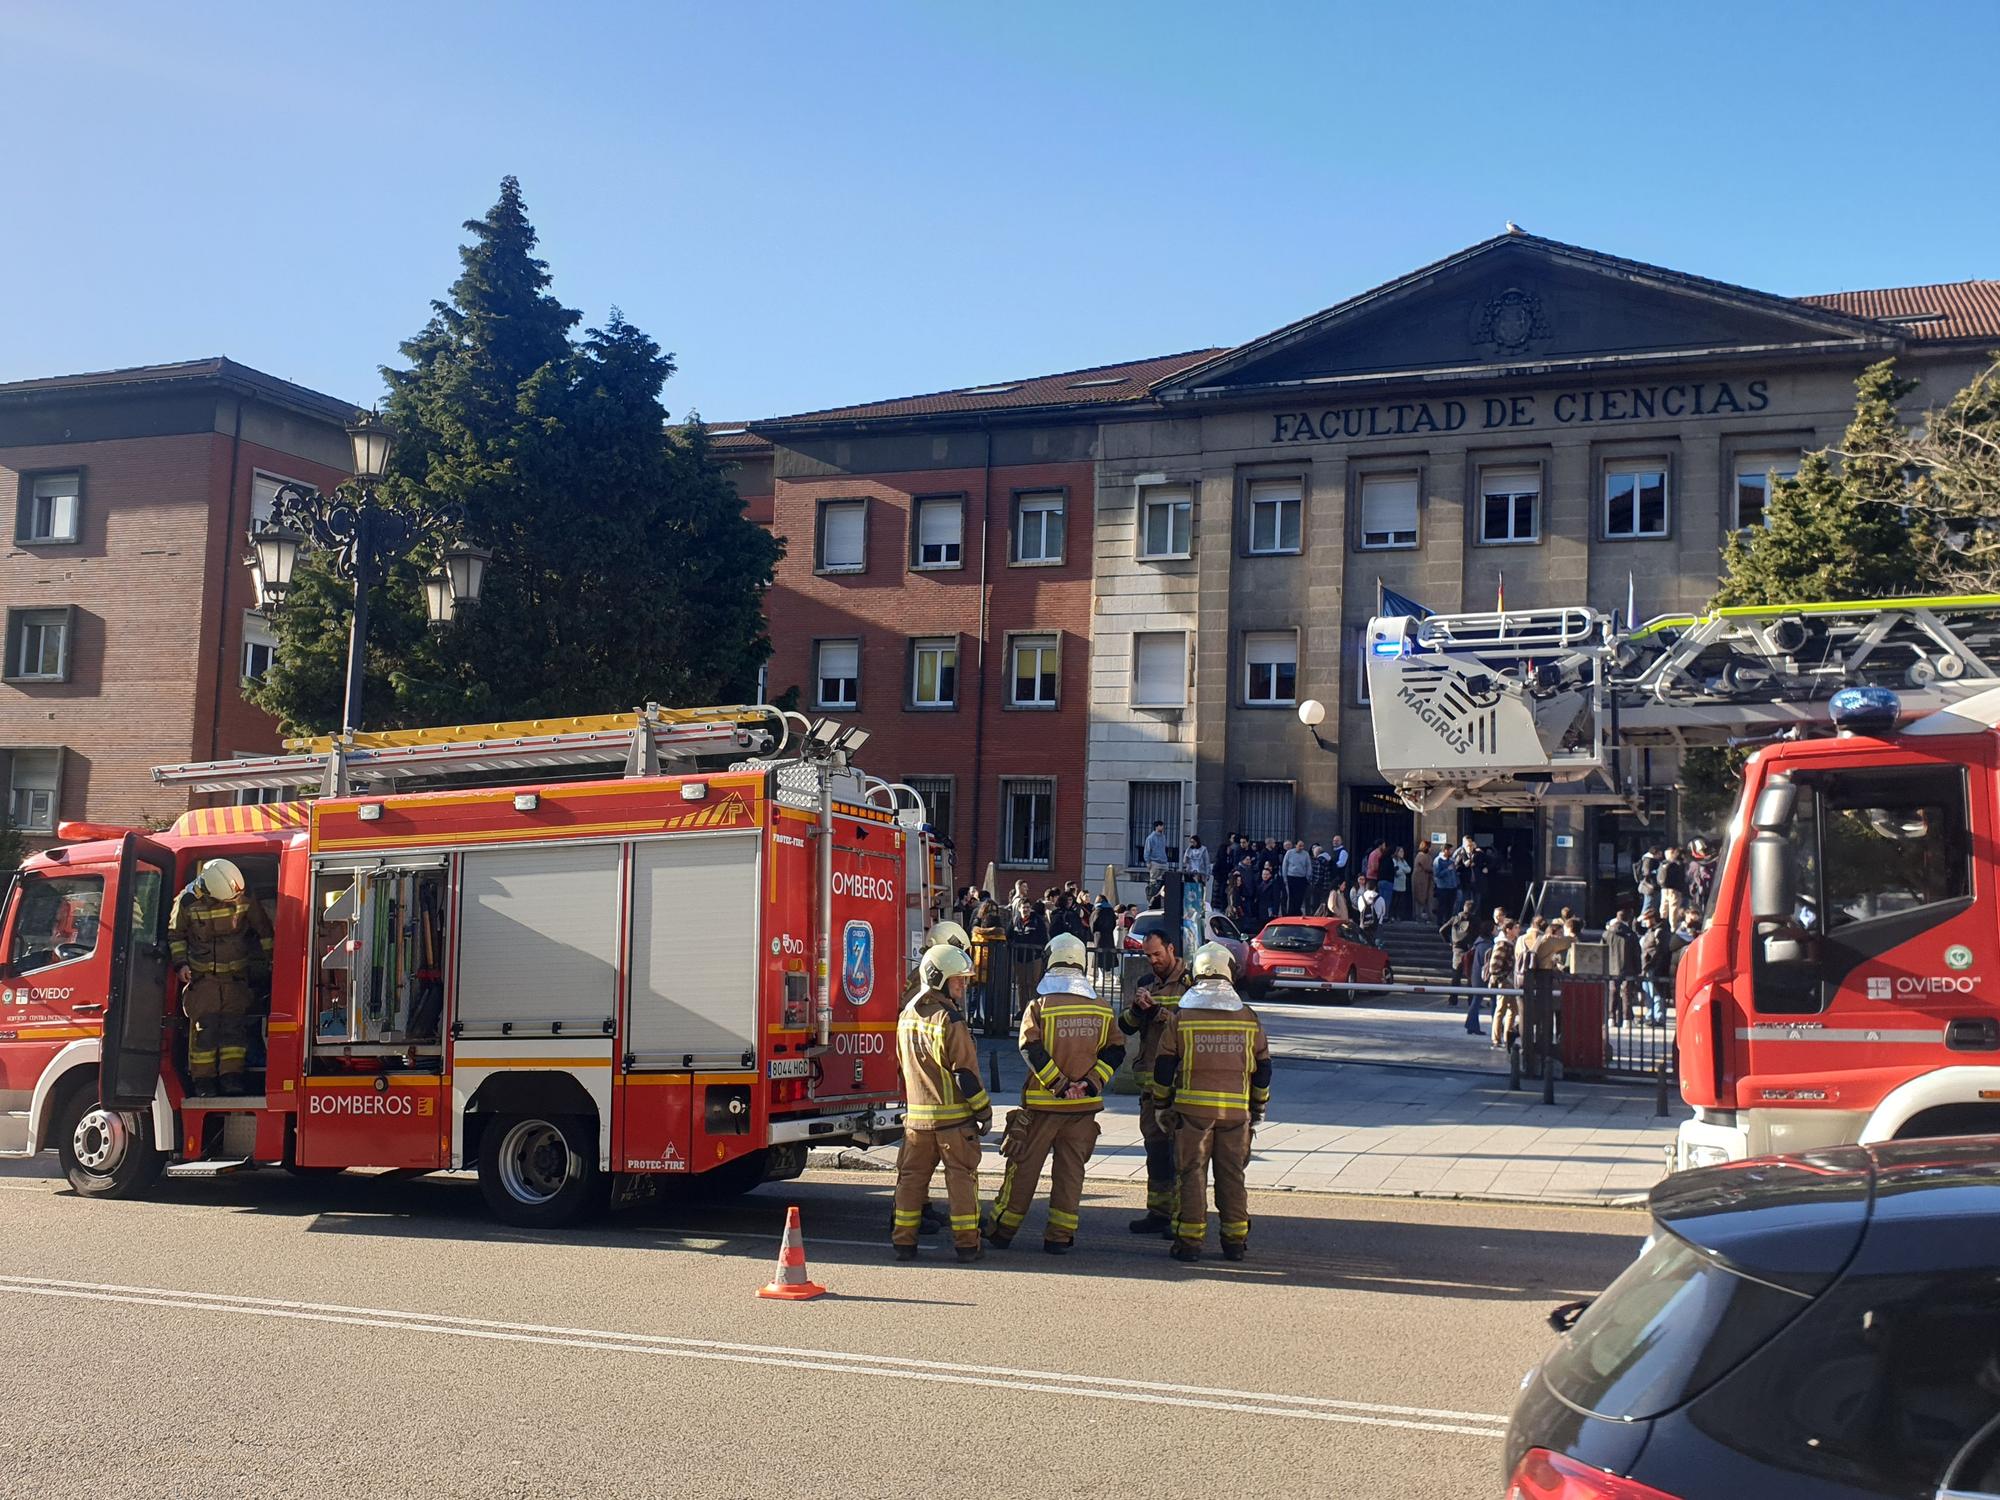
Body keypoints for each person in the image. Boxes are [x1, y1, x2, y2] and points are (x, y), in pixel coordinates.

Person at [984, 933, 1127, 1255]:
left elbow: (1029, 1049)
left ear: (1051, 961)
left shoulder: (1040, 1005)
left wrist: (1060, 1086)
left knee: (1023, 1169)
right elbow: (1116, 1050)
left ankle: (1002, 1229)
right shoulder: (1102, 1009)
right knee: (1071, 1174)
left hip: (1042, 1107)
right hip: (1084, 1108)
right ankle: (1059, 1236)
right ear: (1081, 963)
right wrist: (1088, 1085)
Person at [1154, 942, 1272, 1263]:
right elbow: (1263, 1069)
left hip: (1191, 1113)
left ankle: (1189, 1242)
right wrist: (1258, 1108)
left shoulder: (1182, 1017)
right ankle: (1234, 1242)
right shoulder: (1248, 1018)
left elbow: (1164, 1066)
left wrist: (1162, 1106)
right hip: (1235, 1114)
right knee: (1232, 1175)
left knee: (1192, 1174)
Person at [892, 944, 992, 1261]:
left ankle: (904, 1242)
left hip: (917, 1123)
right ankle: (967, 1245)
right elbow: (966, 1074)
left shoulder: (906, 1016)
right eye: (957, 979)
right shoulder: (950, 1020)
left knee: (911, 1181)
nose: (963, 985)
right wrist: (984, 1112)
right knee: (961, 1181)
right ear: (938, 979)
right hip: (953, 1124)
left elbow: (900, 1066)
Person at [169, 858, 274, 1096]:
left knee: (233, 1031)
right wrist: (181, 965)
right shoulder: (186, 902)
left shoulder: (242, 895)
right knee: (204, 1031)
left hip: (235, 979)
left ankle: (231, 1078)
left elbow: (264, 931)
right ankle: (203, 1083)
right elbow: (175, 936)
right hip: (203, 979)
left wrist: (273, 962)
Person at [1120, 929, 1191, 1234]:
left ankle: (1183, 1217)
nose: (1153, 961)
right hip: (1150, 1084)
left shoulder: (1192, 984)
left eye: (1157, 954)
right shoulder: (1146, 983)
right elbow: (1125, 1025)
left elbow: (1191, 1026)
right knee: (1156, 1150)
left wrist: (1161, 1013)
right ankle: (1159, 1212)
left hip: (1180, 1083)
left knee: (1182, 1153)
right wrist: (1137, 1009)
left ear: (1171, 948)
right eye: (1147, 956)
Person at [1487, 920, 1521, 1049]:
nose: (1518, 930)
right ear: (1508, 930)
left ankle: (1508, 1039)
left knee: (1513, 1010)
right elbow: (1494, 965)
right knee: (1500, 1010)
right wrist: (1502, 977)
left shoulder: (1512, 943)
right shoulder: (1503, 944)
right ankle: (1496, 1039)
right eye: (1516, 928)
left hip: (1512, 982)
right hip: (1505, 981)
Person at [1604, 907, 1638, 1027]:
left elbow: (1602, 951)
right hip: (1628, 967)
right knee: (1627, 994)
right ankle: (1626, 1019)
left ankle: (1611, 1018)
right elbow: (1636, 954)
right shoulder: (1631, 935)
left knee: (1612, 992)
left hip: (1611, 967)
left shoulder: (1607, 934)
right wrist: (1637, 969)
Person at [1442, 898, 1476, 1004]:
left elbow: (1442, 930)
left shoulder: (1455, 919)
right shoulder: (1475, 920)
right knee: (1470, 976)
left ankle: (1453, 999)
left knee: (1456, 975)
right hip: (1469, 949)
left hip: (1457, 949)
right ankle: (1471, 1000)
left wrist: (1449, 941)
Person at [1466, 913, 1493, 1036]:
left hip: (1476, 974)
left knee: (1476, 1001)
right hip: (1483, 977)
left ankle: (1471, 1025)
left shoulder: (1478, 943)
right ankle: (1473, 1025)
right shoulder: (1486, 945)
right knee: (1486, 1001)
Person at [1659, 846, 1689, 930]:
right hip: (1675, 890)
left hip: (1664, 888)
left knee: (1664, 907)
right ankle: (1673, 927)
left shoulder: (1666, 862)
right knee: (1673, 909)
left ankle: (1662, 924)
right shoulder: (1679, 864)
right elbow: (1681, 878)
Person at [1281, 839, 1311, 917]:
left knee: (1299, 897)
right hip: (1291, 877)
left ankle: (1297, 912)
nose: (1301, 847)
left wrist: (1307, 877)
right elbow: (1285, 865)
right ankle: (1290, 913)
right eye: (1300, 845)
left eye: (1303, 846)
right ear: (1296, 845)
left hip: (1301, 878)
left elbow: (1308, 866)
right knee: (1291, 896)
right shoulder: (1289, 853)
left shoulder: (1306, 854)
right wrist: (1285, 878)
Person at [1090, 895, 1118, 980]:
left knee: (1099, 956)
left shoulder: (1097, 911)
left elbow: (1093, 924)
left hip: (1098, 936)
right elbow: (1114, 924)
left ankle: (1101, 976)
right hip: (1109, 936)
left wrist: (1093, 933)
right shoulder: (1111, 911)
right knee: (1110, 954)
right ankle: (1111, 974)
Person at [1143, 820, 1171, 901]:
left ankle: (1163, 896)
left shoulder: (1163, 837)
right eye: (1161, 826)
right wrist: (1148, 862)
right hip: (1154, 862)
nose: (1162, 827)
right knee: (1153, 881)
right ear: (1157, 826)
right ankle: (1152, 898)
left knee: (1166, 879)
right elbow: (1147, 850)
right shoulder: (1150, 838)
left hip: (1163, 861)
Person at [1431, 844, 1459, 923]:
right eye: (1450, 850)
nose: (1452, 852)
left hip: (1452, 887)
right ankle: (1440, 922)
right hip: (1443, 887)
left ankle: (1448, 922)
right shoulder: (1438, 860)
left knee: (1450, 907)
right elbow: (1437, 874)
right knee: (1442, 906)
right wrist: (1447, 869)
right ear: (1445, 850)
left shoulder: (1451, 860)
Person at [1410, 849, 1433, 926]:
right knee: (1420, 899)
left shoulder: (1425, 856)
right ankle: (1419, 916)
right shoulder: (1421, 857)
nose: (1431, 849)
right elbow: (1427, 868)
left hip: (1426, 882)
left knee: (1425, 899)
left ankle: (1426, 916)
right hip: (1421, 882)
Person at [1390, 846, 1412, 922]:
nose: (1402, 853)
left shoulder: (1403, 861)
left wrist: (1402, 868)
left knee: (1401, 902)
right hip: (1396, 884)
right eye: (1401, 851)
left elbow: (1409, 870)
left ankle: (1399, 916)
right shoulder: (1394, 860)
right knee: (1395, 901)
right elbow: (1397, 872)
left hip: (1403, 885)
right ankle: (1392, 915)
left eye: (1403, 851)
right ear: (1397, 852)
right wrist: (1403, 869)